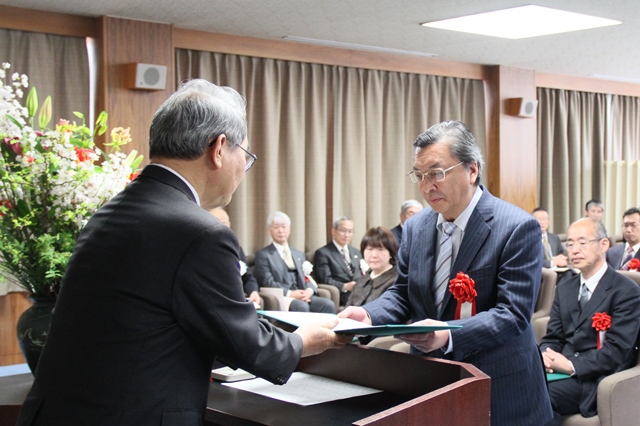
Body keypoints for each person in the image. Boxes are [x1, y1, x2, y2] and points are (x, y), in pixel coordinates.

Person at [16, 79, 350, 426]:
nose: (243, 171)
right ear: (219, 148)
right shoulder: (200, 232)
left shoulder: (111, 212)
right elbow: (248, 346)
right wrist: (306, 340)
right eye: (246, 156)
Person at [340, 120, 552, 425]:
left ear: (472, 170)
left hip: (500, 384)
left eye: (437, 173)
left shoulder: (516, 227)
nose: (427, 186)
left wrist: (447, 333)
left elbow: (513, 313)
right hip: (434, 378)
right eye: (419, 176)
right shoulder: (416, 227)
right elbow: (404, 292)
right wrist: (369, 315)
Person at [540, 218, 640, 422]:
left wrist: (570, 365)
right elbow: (554, 337)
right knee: (510, 387)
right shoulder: (565, 289)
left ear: (603, 244)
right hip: (560, 372)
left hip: (594, 378)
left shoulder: (626, 291)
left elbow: (617, 352)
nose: (574, 250)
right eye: (570, 244)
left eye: (582, 243)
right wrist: (545, 355)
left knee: (536, 397)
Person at [254, 211, 336, 313]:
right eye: (276, 227)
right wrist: (290, 293)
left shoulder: (298, 254)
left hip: (302, 294)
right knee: (302, 307)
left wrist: (309, 291)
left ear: (289, 229)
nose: (281, 231)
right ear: (268, 230)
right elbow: (267, 281)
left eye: (284, 227)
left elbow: (308, 277)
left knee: (328, 305)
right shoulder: (263, 255)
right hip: (283, 296)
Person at [209, 207, 261, 307]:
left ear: (229, 224)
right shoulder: (204, 250)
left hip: (239, 299)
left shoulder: (237, 249)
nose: (221, 227)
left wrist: (253, 292)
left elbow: (248, 278)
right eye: (216, 223)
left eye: (224, 223)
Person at [313, 216, 363, 306]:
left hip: (360, 290)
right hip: (342, 294)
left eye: (350, 231)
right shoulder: (323, 253)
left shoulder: (356, 252)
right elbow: (325, 279)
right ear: (333, 231)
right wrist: (345, 286)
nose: (347, 235)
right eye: (343, 230)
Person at [346, 227, 398, 307]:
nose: (374, 255)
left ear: (390, 252)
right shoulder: (362, 280)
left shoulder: (397, 281)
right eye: (369, 249)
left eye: (380, 249)